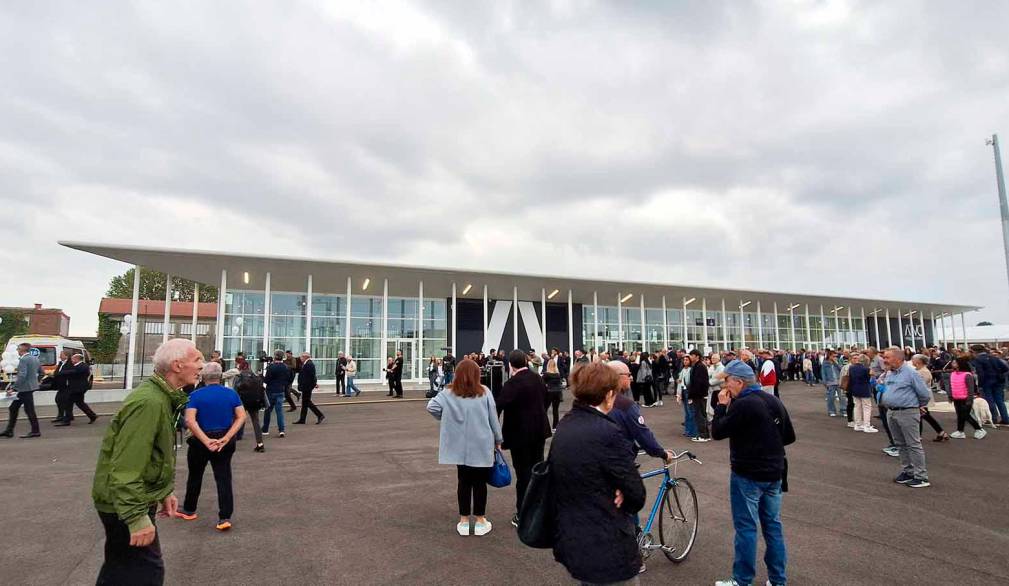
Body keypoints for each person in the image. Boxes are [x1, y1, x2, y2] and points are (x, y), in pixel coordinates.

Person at [92, 338, 202, 584]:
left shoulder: (161, 398)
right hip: (124, 504)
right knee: (146, 572)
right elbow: (125, 466)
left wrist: (163, 492)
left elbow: (151, 457)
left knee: (119, 570)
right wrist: (135, 516)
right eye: (196, 360)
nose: (201, 365)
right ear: (177, 366)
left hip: (126, 500)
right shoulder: (149, 403)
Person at [550, 362, 646, 585]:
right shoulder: (608, 432)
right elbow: (636, 493)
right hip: (607, 540)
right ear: (609, 394)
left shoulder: (566, 425)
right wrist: (623, 493)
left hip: (574, 534)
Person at [712, 360, 795, 586]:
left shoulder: (743, 404)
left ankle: (742, 579)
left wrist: (721, 406)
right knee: (773, 527)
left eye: (727, 381)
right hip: (774, 472)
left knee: (746, 527)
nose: (725, 387)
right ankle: (778, 580)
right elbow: (788, 436)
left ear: (739, 382)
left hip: (748, 473)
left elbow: (718, 431)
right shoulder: (773, 400)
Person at [426, 359, 502, 537]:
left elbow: (431, 407)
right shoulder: (485, 392)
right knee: (480, 482)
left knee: (463, 481)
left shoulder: (448, 392)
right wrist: (498, 439)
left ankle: (464, 520)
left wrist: (445, 417)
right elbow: (493, 418)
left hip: (458, 444)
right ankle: (481, 520)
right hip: (482, 443)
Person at [176, 362, 246, 532]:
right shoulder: (231, 394)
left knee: (195, 475)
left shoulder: (195, 395)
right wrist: (228, 437)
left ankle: (189, 509)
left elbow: (190, 420)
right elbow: (241, 416)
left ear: (203, 377)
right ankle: (224, 517)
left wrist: (206, 439)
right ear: (220, 376)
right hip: (225, 438)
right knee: (223, 476)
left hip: (200, 439)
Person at [496, 349, 551, 528]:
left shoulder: (512, 384)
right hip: (539, 431)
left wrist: (494, 432)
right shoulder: (537, 378)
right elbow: (547, 399)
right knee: (537, 469)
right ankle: (538, 509)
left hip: (519, 435)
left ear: (511, 365)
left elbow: (498, 406)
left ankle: (523, 513)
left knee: (523, 474)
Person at [879, 347, 932, 488]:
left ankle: (921, 476)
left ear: (898, 358)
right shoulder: (890, 373)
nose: (884, 360)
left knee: (913, 444)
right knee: (900, 444)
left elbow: (924, 394)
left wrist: (915, 406)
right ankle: (908, 472)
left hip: (907, 412)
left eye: (887, 357)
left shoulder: (911, 373)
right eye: (884, 357)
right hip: (891, 412)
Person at [1, 342, 43, 438]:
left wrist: (13, 388)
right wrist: (37, 382)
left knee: (29, 410)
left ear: (23, 350)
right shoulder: (35, 358)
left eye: (19, 349)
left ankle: (35, 431)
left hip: (24, 389)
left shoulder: (24, 360)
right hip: (29, 387)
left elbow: (22, 375)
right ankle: (9, 430)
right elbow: (42, 372)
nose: (17, 351)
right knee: (14, 408)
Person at [911, 354, 949, 442]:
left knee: (922, 415)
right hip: (919, 397)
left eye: (913, 359)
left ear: (918, 361)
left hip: (922, 397)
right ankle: (941, 432)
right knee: (924, 416)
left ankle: (919, 435)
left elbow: (921, 386)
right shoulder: (917, 370)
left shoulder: (924, 371)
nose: (912, 361)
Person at [948, 357, 986, 438]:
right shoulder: (953, 374)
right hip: (956, 398)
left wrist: (969, 399)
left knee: (965, 415)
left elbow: (971, 389)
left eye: (955, 363)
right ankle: (960, 431)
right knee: (960, 415)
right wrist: (950, 396)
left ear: (960, 364)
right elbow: (951, 386)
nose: (952, 364)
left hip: (965, 399)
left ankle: (979, 429)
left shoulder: (967, 375)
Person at [233, 365, 267, 452]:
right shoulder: (256, 377)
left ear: (240, 368)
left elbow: (235, 391)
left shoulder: (238, 377)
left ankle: (232, 441)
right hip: (254, 402)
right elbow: (262, 390)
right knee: (256, 422)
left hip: (241, 402)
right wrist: (265, 403)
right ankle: (260, 443)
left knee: (236, 420)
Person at [60, 352, 98, 425]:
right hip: (76, 388)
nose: (71, 360)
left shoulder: (83, 366)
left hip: (78, 388)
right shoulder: (77, 366)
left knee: (69, 402)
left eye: (72, 359)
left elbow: (74, 372)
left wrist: (62, 372)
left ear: (77, 359)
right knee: (79, 403)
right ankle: (92, 416)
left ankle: (67, 420)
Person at [262, 351, 289, 438]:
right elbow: (288, 378)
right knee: (279, 411)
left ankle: (265, 429)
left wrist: (261, 376)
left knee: (268, 410)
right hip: (281, 390)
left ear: (275, 357)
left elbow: (266, 380)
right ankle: (281, 430)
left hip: (271, 391)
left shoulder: (271, 367)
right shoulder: (285, 367)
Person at [686, 349, 711, 442]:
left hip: (699, 395)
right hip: (699, 394)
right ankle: (705, 434)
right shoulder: (697, 366)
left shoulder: (700, 366)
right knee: (701, 414)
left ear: (697, 356)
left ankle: (703, 435)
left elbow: (699, 383)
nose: (690, 357)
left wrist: (692, 395)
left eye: (692, 355)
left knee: (699, 415)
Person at [293, 352, 325, 424]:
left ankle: (320, 415)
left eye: (301, 357)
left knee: (307, 402)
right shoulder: (306, 364)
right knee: (305, 403)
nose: (300, 359)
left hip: (307, 386)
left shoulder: (309, 364)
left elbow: (312, 376)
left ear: (305, 357)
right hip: (305, 386)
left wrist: (314, 384)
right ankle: (302, 419)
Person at [848, 355, 878, 433]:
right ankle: (867, 425)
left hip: (854, 389)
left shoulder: (851, 368)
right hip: (865, 389)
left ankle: (858, 424)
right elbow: (871, 379)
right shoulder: (867, 369)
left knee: (857, 407)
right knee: (867, 407)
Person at [543, 354, 564, 431]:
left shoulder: (546, 374)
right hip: (557, 392)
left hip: (549, 392)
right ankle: (555, 427)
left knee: (544, 410)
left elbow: (542, 384)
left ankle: (544, 426)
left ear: (548, 365)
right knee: (555, 410)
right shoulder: (558, 374)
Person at [51, 350, 73, 425]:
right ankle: (60, 416)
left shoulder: (70, 363)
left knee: (66, 402)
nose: (59, 356)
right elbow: (56, 373)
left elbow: (70, 373)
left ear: (66, 356)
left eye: (61, 354)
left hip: (67, 385)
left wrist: (60, 373)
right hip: (61, 386)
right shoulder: (61, 363)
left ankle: (67, 419)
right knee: (58, 400)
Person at [821, 350, 843, 417]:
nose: (835, 357)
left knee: (842, 397)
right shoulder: (825, 363)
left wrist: (835, 362)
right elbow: (823, 372)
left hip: (839, 381)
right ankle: (831, 411)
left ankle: (843, 410)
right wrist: (824, 382)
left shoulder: (837, 362)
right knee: (831, 397)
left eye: (835, 356)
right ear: (829, 356)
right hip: (830, 382)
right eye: (833, 356)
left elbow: (841, 369)